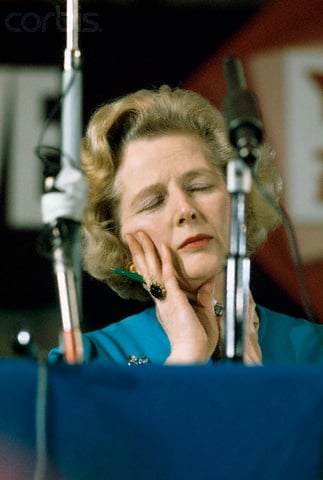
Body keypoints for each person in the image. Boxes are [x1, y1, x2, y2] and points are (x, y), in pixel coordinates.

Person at [48, 85, 323, 365]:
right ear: (119, 244)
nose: (185, 209)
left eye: (199, 186)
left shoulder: (316, 350)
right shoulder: (87, 361)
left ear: (241, 204)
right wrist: (187, 355)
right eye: (153, 202)